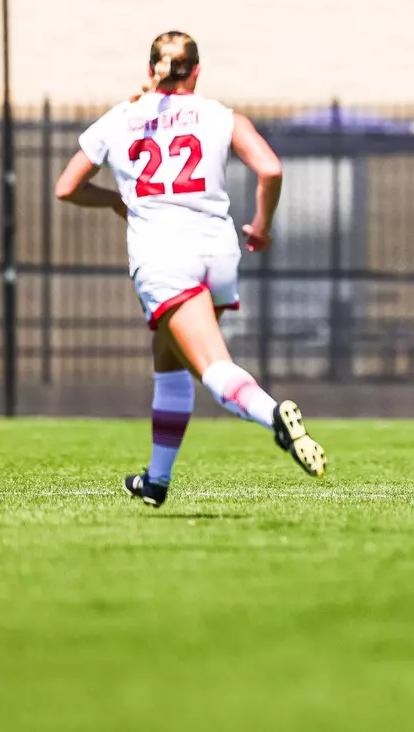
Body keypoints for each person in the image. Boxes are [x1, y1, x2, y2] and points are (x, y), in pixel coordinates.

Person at [55, 30, 326, 503]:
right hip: (218, 254)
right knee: (169, 361)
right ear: (197, 72)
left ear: (149, 71)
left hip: (164, 258)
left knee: (211, 367)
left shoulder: (120, 119)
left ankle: (274, 414)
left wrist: (118, 202)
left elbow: (67, 186)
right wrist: (261, 226)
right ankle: (156, 481)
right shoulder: (221, 115)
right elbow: (270, 169)